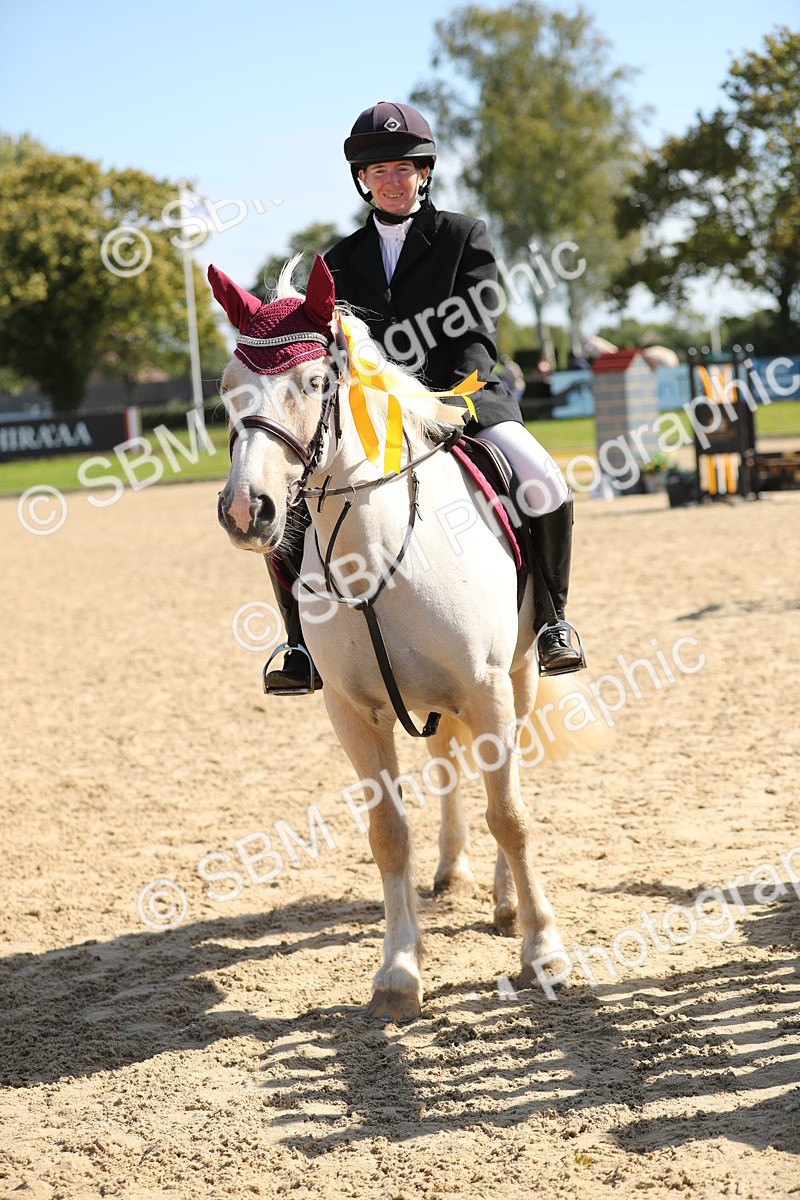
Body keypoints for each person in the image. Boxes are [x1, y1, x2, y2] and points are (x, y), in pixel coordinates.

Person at [264, 101, 585, 693]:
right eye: (378, 171)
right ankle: (298, 646)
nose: (392, 180)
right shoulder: (336, 261)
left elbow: (477, 330)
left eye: (403, 169)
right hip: (373, 415)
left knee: (543, 479)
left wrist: (450, 398)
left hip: (464, 399)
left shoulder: (464, 236)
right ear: (362, 179)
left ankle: (553, 623)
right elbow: (329, 351)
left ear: (424, 173)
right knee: (291, 505)